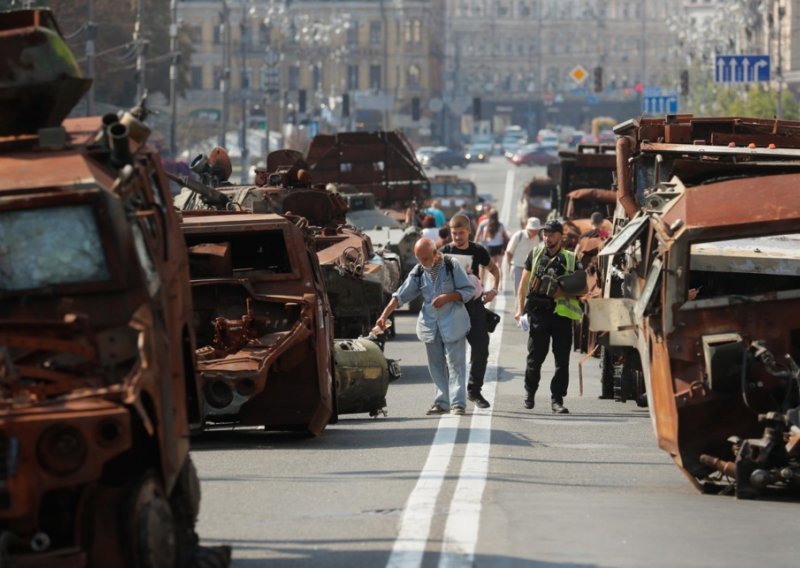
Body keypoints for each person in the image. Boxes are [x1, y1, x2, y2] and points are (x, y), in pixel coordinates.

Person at [376, 238, 474, 415]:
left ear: (435, 254)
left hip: (453, 322)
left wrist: (448, 297)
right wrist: (383, 316)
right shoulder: (419, 271)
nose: (423, 262)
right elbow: (400, 296)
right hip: (430, 325)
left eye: (426, 258)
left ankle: (458, 403)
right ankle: (442, 402)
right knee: (435, 364)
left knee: (455, 364)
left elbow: (468, 291)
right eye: (419, 258)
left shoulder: (452, 265)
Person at [514, 219, 585, 414]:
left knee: (562, 360)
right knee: (535, 358)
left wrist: (562, 292)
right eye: (545, 234)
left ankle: (557, 399)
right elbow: (523, 283)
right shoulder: (535, 253)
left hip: (561, 316)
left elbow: (582, 286)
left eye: (552, 234)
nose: (547, 238)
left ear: (561, 237)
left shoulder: (571, 258)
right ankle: (529, 393)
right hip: (538, 314)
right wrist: (519, 310)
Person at [439, 214, 500, 409]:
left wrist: (493, 290)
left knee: (481, 349)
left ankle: (474, 391)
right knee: (452, 354)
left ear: (468, 232)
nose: (457, 237)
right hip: (452, 307)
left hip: (474, 307)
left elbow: (494, 269)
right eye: (454, 233)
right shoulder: (444, 252)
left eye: (461, 233)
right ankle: (452, 394)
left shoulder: (478, 250)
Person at [506, 217, 541, 293]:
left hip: (529, 269)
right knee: (518, 291)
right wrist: (509, 265)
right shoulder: (519, 235)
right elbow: (509, 251)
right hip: (517, 267)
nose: (536, 232)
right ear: (530, 229)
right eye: (535, 230)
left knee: (528, 292)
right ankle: (518, 305)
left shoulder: (537, 238)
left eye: (537, 230)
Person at [476, 210, 509, 289]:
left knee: (492, 268)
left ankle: (493, 284)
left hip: (490, 248)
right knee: (500, 267)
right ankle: (500, 284)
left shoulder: (487, 226)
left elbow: (484, 238)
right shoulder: (500, 225)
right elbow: (505, 236)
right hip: (499, 247)